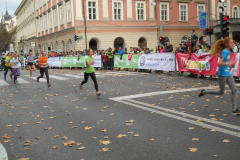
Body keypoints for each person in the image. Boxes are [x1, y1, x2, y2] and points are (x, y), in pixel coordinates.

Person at [199, 37, 239, 115]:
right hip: (222, 74)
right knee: (221, 92)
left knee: (234, 90)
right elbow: (219, 63)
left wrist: (232, 66)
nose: (232, 44)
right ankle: (204, 91)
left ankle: (234, 109)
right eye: (231, 43)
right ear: (226, 44)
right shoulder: (225, 52)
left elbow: (225, 63)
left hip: (228, 73)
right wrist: (230, 64)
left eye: (232, 43)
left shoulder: (228, 51)